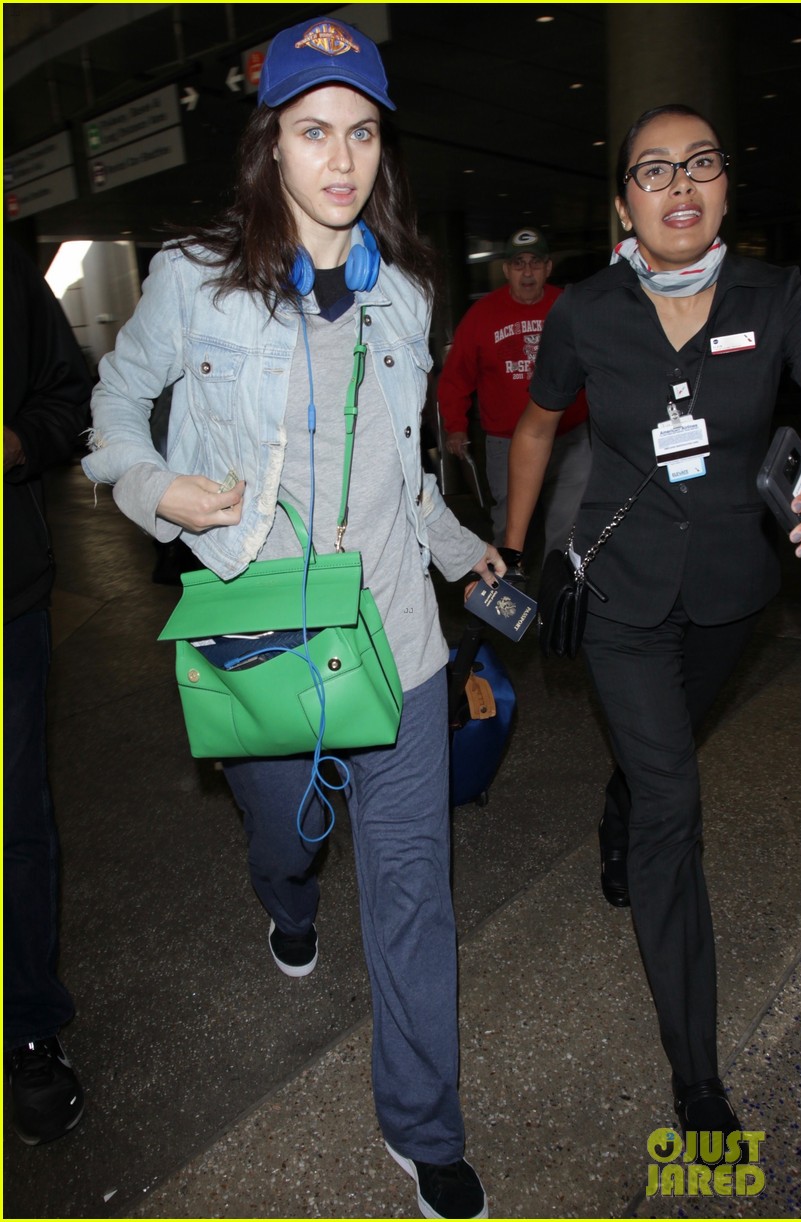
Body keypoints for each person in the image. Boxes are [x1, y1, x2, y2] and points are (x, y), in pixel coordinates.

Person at [81, 16, 501, 1219]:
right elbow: (112, 406)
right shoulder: (195, 282)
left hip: (399, 648)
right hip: (263, 639)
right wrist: (157, 486)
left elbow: (406, 477)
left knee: (417, 892)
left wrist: (471, 557)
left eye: (362, 132)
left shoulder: (407, 292)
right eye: (315, 131)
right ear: (272, 145)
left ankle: (422, 1128)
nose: (341, 159)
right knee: (288, 837)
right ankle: (286, 896)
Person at [505, 104, 801, 1149]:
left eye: (701, 165)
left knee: (658, 755)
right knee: (676, 803)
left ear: (726, 186)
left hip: (732, 590)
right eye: (653, 171)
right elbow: (540, 424)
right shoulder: (587, 311)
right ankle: (697, 1073)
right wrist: (513, 545)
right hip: (621, 592)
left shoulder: (779, 296)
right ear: (625, 204)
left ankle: (621, 795)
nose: (680, 184)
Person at [4, 238, 92, 1144]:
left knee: (12, 824)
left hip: (6, 604)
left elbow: (71, 399)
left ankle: (29, 1030)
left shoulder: (10, 282)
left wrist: (18, 439)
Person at [437, 226, 590, 552]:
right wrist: (455, 426)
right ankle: (508, 596)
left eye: (535, 263)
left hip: (569, 439)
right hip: (507, 443)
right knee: (509, 528)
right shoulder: (482, 316)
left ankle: (558, 597)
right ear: (506, 270)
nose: (527, 272)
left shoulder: (570, 307)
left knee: (569, 529)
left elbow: (600, 367)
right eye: (518, 264)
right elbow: (455, 377)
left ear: (548, 268)